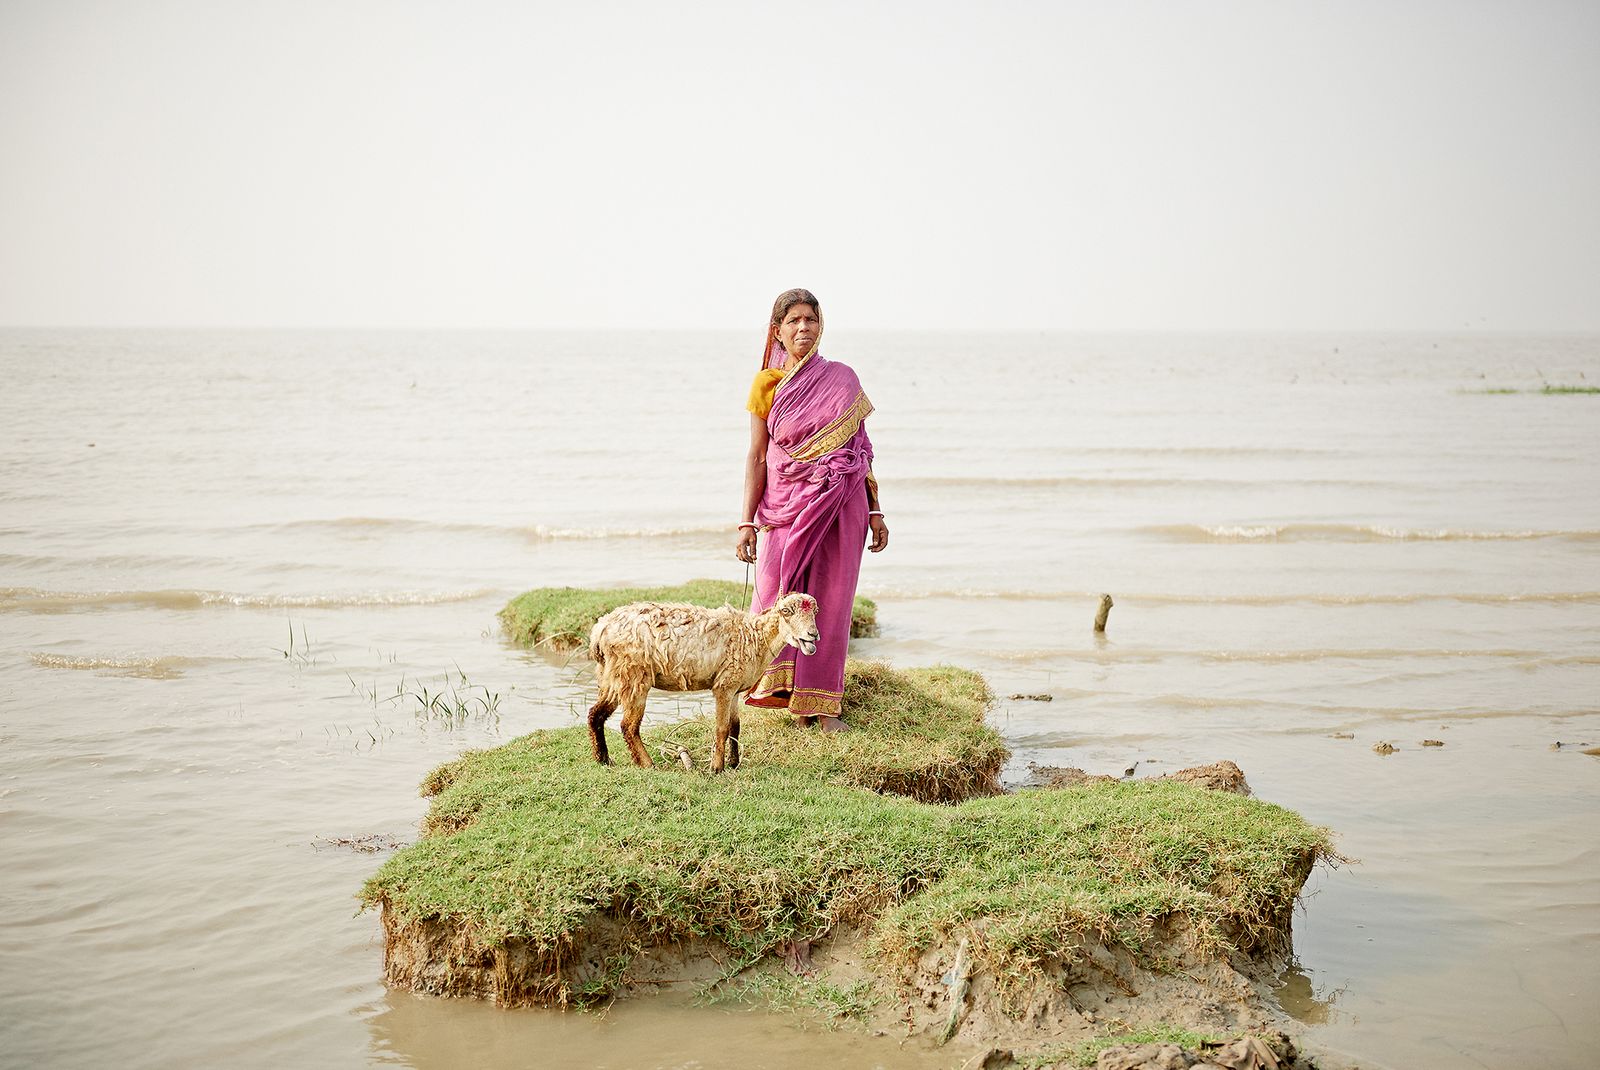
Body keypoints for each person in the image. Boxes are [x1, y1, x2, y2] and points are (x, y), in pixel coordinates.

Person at [735, 288, 889, 731]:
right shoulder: (766, 384)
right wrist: (746, 521)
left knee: (833, 602)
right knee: (774, 596)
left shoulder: (842, 378)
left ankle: (821, 706)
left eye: (812, 320)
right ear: (777, 330)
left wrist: (876, 511)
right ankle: (782, 690)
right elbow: (758, 456)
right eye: (794, 321)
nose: (804, 328)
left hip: (842, 503)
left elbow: (861, 449)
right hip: (784, 507)